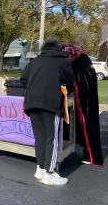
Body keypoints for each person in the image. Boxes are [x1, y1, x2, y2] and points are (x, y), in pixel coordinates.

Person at [20, 40, 74, 186]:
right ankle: (49, 173)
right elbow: (70, 82)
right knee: (52, 139)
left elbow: (23, 79)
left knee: (40, 138)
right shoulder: (64, 62)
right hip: (51, 103)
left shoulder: (35, 60)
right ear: (58, 49)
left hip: (31, 102)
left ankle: (40, 168)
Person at [62, 44, 103, 166]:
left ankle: (91, 155)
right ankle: (85, 152)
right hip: (83, 100)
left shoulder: (80, 62)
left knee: (86, 126)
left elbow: (79, 82)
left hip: (84, 102)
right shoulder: (83, 60)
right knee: (80, 126)